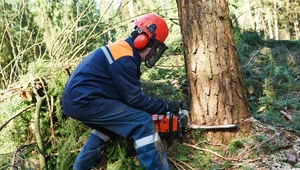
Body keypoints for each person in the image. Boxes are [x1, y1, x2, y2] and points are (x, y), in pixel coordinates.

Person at [61, 13, 181, 170]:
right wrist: (166, 106)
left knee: (106, 129)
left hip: (77, 100)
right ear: (143, 41)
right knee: (142, 122)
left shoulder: (123, 51)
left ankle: (79, 168)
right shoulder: (123, 57)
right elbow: (134, 100)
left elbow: (126, 98)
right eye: (155, 48)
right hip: (85, 101)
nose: (152, 55)